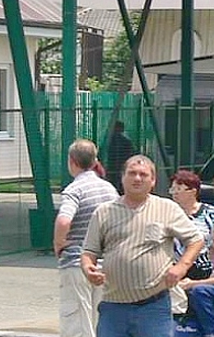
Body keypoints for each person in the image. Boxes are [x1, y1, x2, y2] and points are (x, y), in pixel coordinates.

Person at [81, 154, 203, 337]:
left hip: (153, 306)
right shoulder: (104, 212)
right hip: (113, 307)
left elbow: (195, 240)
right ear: (122, 177)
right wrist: (87, 268)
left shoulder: (167, 208)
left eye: (143, 174)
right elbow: (89, 251)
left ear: (153, 181)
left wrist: (181, 267)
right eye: (132, 173)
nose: (137, 178)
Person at [53, 139, 119, 337]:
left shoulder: (75, 189)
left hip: (77, 262)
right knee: (100, 320)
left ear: (72, 161)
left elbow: (64, 220)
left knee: (77, 321)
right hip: (105, 263)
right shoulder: (109, 189)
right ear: (94, 160)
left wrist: (59, 243)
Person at [170, 169, 214, 280]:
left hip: (204, 270)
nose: (174, 193)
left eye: (179, 189)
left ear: (193, 191)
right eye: (172, 189)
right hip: (173, 269)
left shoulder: (211, 213)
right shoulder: (168, 213)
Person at [106, 120, 135, 194]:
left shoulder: (108, 140)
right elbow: (131, 153)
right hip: (122, 166)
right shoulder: (126, 141)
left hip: (111, 166)